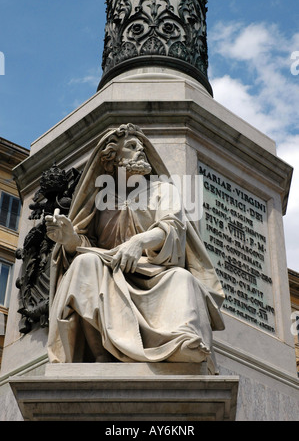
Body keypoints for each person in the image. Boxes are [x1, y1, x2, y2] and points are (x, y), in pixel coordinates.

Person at [46, 123, 225, 373]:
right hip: (109, 268)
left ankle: (180, 342)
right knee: (83, 264)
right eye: (131, 147)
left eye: (142, 147)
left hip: (154, 271)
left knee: (182, 278)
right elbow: (88, 246)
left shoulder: (163, 190)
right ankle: (100, 355)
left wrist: (138, 242)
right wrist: (70, 239)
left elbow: (172, 227)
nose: (140, 151)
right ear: (111, 161)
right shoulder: (99, 199)